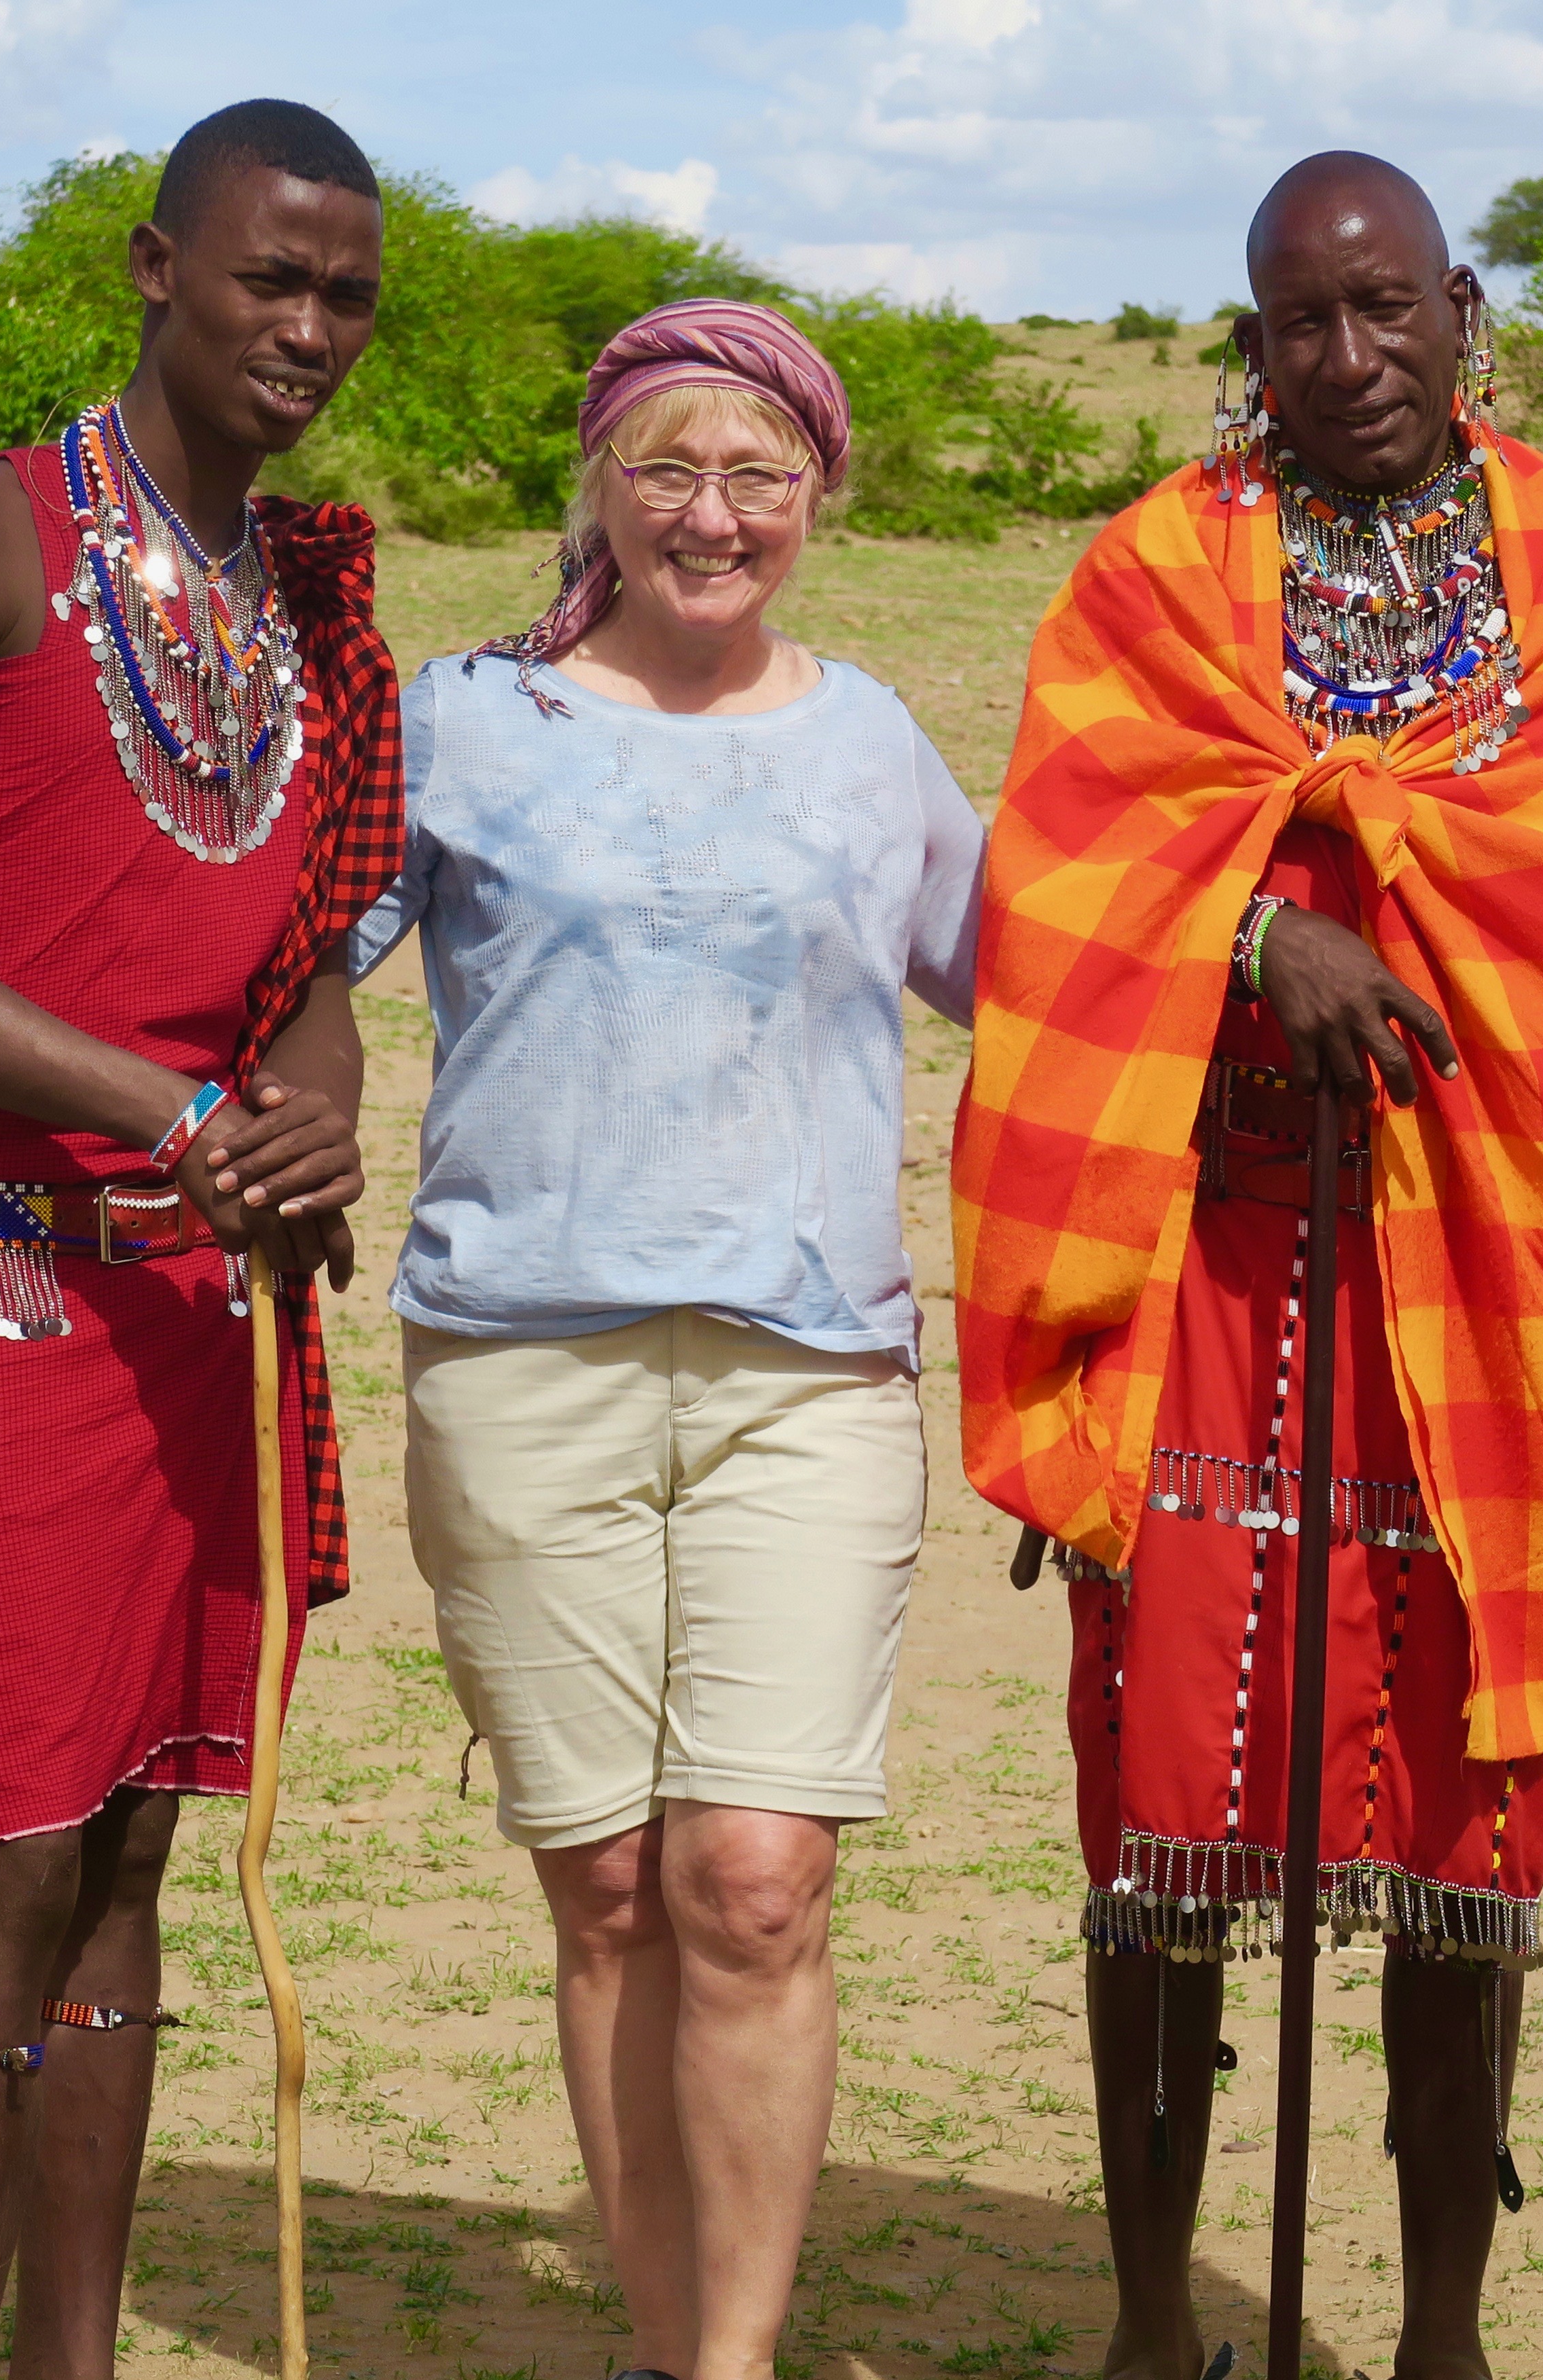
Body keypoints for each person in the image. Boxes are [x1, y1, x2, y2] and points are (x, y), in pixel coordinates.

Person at [954, 154, 1543, 2380]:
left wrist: (1383, 894)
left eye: (1381, 312)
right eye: (1296, 323)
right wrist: (1263, 932)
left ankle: (1440, 2334)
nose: (1345, 362)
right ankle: (1156, 2321)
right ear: (1244, 342)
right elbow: (1060, 876)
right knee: (1164, 1806)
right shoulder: (1163, 572)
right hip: (1206, 1265)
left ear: (1454, 307)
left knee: (1462, 1813)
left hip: (1482, 1259)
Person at [0, 99, 403, 2379]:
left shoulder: (315, 609)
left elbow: (318, 942)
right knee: (10, 1855)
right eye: (267, 279)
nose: (305, 329)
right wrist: (172, 1108)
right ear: (158, 269)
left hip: (199, 1299)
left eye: (344, 293)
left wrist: (312, 1126)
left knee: (143, 1846)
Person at [348, 300, 983, 2380]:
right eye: (667, 472)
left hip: (807, 1377)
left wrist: (1283, 926)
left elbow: (1052, 979)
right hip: (519, 1363)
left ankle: (731, 2363)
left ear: (818, 497)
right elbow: (270, 961)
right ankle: (653, 2346)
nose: (711, 518)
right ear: (597, 492)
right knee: (612, 1889)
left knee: (755, 1876)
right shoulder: (458, 721)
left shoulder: (870, 741)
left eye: (759, 477)